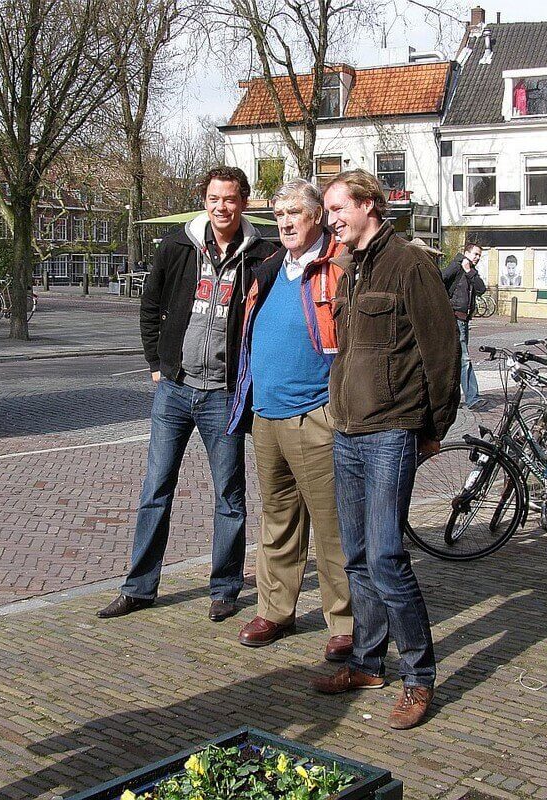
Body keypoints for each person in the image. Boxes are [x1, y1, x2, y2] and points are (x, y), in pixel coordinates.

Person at [311, 170, 460, 730]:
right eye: (327, 212)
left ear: (368, 204)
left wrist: (434, 426)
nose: (331, 221)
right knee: (355, 558)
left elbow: (441, 350)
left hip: (391, 430)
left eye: (337, 209)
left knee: (387, 558)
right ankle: (368, 663)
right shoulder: (350, 269)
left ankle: (419, 677)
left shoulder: (410, 264)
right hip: (346, 430)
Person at [98, 166, 277, 622]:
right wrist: (157, 365)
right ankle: (139, 587)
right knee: (155, 490)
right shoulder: (178, 246)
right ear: (205, 200)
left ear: (244, 202)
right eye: (214, 198)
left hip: (223, 394)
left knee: (229, 496)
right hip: (174, 391)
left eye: (231, 199)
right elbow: (151, 305)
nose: (222, 207)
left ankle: (225, 588)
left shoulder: (262, 255)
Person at [226, 179, 352, 660]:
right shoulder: (269, 266)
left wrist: (336, 406)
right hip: (266, 415)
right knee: (277, 520)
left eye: (294, 212)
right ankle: (276, 611)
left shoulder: (338, 265)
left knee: (332, 524)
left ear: (317, 215)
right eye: (278, 214)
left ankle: (346, 621)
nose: (285, 222)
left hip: (316, 416)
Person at [442, 242, 487, 410]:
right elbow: (440, 279)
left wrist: (469, 271)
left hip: (464, 320)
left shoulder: (470, 270)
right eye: (475, 254)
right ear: (466, 252)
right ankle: (472, 398)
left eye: (479, 256)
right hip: (455, 319)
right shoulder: (456, 265)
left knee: (456, 359)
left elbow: (481, 289)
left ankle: (448, 398)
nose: (477, 258)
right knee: (464, 359)